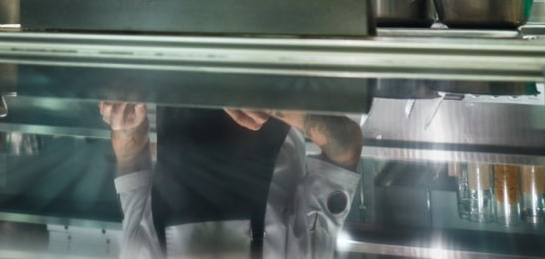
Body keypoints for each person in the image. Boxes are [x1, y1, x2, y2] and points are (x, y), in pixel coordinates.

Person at [99, 101, 363, 259]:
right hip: (272, 60)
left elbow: (131, 160)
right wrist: (275, 105)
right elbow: (345, 147)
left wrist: (125, 123)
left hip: (184, 57)